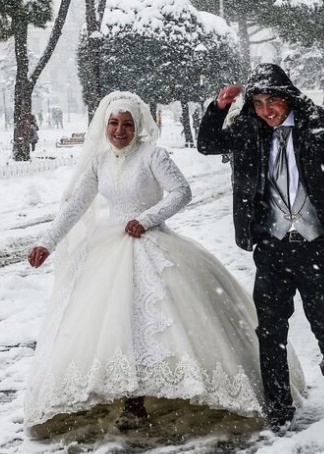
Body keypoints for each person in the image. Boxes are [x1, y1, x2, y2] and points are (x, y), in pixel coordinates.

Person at [24, 90, 305, 434]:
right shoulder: (99, 163)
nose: (119, 130)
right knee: (115, 322)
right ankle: (128, 398)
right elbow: (74, 206)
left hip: (151, 242)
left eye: (127, 124)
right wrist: (46, 242)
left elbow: (181, 192)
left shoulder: (153, 156)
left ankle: (160, 392)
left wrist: (147, 218)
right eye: (113, 123)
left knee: (154, 321)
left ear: (138, 126)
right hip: (108, 247)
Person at [197, 63, 324, 434]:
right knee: (270, 331)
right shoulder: (247, 129)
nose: (266, 111)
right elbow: (208, 144)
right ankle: (279, 410)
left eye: (272, 101)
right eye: (258, 103)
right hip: (272, 247)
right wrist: (218, 108)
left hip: (320, 245)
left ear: (288, 96)